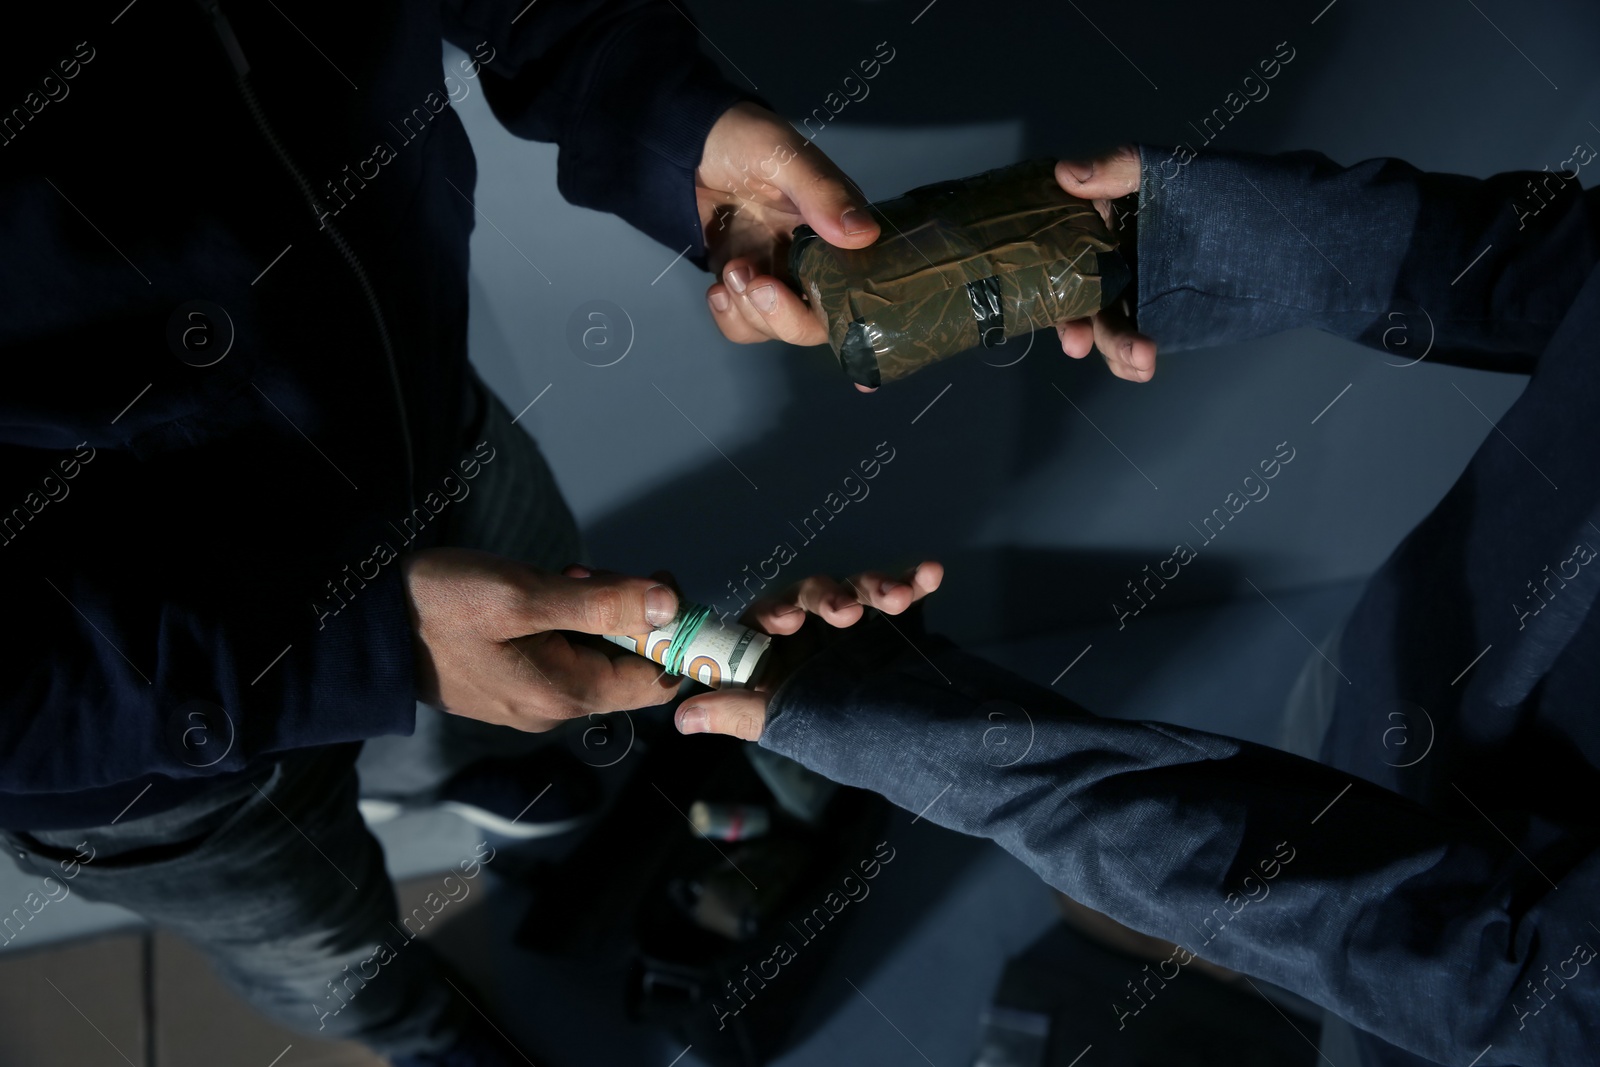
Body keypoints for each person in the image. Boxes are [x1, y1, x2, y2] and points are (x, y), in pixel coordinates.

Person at [0, 3, 884, 1064]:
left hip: (422, 437)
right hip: (139, 727)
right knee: (321, 947)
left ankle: (511, 777)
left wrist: (659, 113)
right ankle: (418, 1032)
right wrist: (369, 645)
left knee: (556, 698)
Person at [679, 146, 1600, 1067]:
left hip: (1461, 957)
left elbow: (1485, 977)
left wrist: (951, 745)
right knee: (1126, 893)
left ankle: (1262, 963)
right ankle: (1248, 952)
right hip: (1430, 662)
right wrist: (1135, 242)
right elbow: (1558, 269)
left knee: (1218, 913)